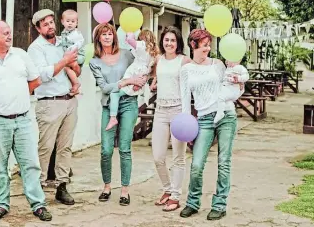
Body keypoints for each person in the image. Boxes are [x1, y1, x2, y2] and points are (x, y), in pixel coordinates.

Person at [0, 20, 52, 222]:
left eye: (9, 32)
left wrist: (19, 95)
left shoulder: (20, 55)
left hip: (22, 120)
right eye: (5, 33)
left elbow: (35, 80)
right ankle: (1, 204)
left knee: (31, 164)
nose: (9, 35)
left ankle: (38, 204)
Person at [179, 29, 241, 221]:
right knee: (197, 164)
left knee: (224, 162)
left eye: (209, 45)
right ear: (193, 44)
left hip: (226, 115)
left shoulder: (218, 65)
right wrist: (187, 127)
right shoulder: (186, 70)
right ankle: (192, 202)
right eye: (204, 44)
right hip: (204, 119)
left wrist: (239, 82)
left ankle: (219, 205)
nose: (207, 48)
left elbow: (234, 89)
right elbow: (184, 101)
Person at [89, 23, 147, 206]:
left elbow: (141, 69)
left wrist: (141, 82)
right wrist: (126, 81)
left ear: (114, 36)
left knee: (124, 148)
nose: (107, 37)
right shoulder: (94, 61)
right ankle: (107, 187)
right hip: (108, 106)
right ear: (98, 38)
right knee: (106, 150)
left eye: (109, 34)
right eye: (103, 34)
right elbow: (105, 88)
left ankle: (124, 190)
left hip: (129, 104)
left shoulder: (126, 54)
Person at [27, 9, 80, 206]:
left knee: (65, 147)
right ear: (38, 28)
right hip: (49, 102)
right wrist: (64, 61)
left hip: (69, 100)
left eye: (51, 22)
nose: (50, 26)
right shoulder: (35, 49)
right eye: (45, 24)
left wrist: (73, 66)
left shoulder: (63, 42)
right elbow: (42, 75)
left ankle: (62, 186)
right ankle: (38, 188)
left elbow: (76, 68)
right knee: (46, 147)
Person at [149, 26, 191, 212]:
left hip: (178, 112)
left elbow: (192, 86)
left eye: (173, 40)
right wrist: (151, 84)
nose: (169, 43)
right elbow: (155, 78)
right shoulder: (158, 59)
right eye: (166, 40)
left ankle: (175, 196)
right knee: (158, 156)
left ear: (178, 43)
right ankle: (167, 189)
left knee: (178, 158)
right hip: (160, 111)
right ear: (162, 42)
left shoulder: (184, 61)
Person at [105, 29, 158, 131]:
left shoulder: (142, 45)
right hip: (140, 75)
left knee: (114, 93)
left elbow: (130, 40)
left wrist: (130, 32)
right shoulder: (152, 53)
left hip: (134, 74)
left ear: (143, 38)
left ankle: (113, 118)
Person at [213, 60, 249, 124]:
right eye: (226, 60)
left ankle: (220, 113)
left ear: (238, 61)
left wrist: (238, 78)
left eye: (229, 60)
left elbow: (246, 76)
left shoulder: (240, 67)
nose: (227, 62)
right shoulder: (228, 69)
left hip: (233, 88)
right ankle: (221, 112)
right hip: (227, 87)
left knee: (221, 98)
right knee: (219, 97)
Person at [60, 9, 85, 95]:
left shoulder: (76, 33)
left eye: (73, 21)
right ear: (62, 22)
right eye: (68, 21)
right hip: (71, 56)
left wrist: (70, 51)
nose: (70, 23)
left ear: (77, 23)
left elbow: (79, 43)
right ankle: (75, 88)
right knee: (67, 69)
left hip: (78, 56)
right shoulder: (64, 33)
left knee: (66, 67)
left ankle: (76, 83)